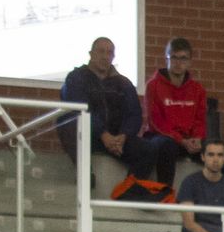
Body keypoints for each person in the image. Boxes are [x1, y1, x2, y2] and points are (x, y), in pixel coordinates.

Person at [58, 36, 158, 182]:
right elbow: (80, 109)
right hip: (89, 137)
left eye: (109, 53)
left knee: (149, 149)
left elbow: (134, 114)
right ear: (91, 54)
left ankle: (130, 190)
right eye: (101, 51)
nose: (105, 56)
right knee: (66, 121)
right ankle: (85, 176)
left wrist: (123, 136)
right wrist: (103, 134)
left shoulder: (124, 83)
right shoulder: (76, 78)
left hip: (118, 140)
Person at [142, 36, 207, 187]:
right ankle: (165, 192)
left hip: (189, 140)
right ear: (167, 58)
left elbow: (200, 119)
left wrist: (197, 138)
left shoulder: (197, 89)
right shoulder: (153, 85)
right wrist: (181, 140)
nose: (178, 63)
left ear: (190, 61)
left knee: (219, 149)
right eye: (174, 58)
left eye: (183, 58)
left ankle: (217, 198)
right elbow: (156, 122)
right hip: (161, 138)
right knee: (167, 146)